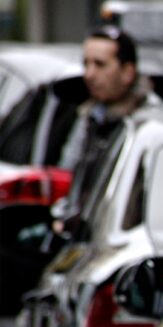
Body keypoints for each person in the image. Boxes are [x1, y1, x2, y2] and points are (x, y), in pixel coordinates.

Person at [58, 25, 156, 207]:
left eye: (100, 64)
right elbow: (68, 173)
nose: (89, 74)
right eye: (86, 64)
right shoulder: (89, 116)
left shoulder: (150, 122)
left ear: (128, 72)